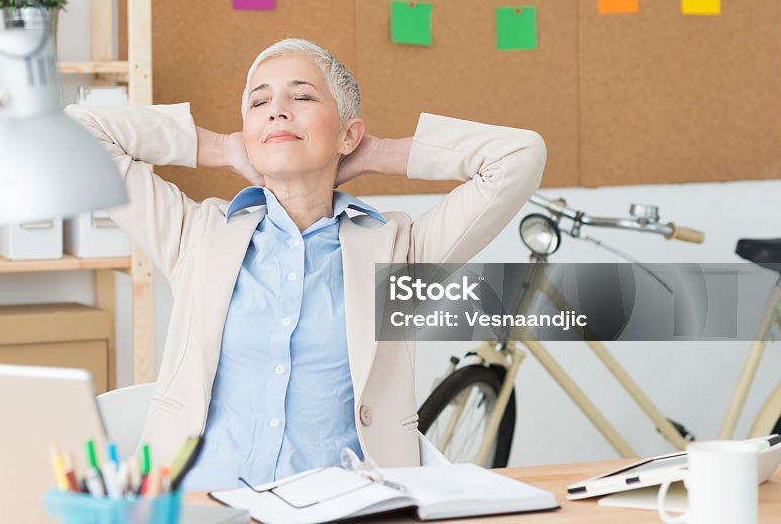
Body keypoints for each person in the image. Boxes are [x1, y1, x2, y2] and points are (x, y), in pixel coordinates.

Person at [65, 38, 547, 490]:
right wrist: (223, 147)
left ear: (347, 133)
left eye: (302, 98)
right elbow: (77, 132)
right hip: (201, 505)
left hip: (339, 508)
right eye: (259, 103)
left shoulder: (400, 251)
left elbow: (519, 156)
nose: (276, 110)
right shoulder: (197, 234)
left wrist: (377, 153)